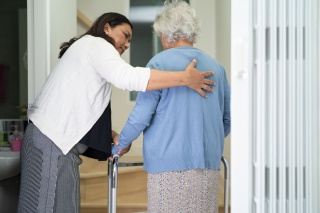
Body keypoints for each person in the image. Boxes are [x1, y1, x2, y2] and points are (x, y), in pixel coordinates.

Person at [17, 12, 215, 213]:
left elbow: (82, 106)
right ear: (107, 28)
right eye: (125, 35)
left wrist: (111, 136)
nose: (127, 44)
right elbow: (127, 77)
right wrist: (185, 78)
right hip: (51, 142)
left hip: (55, 143)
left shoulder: (89, 50)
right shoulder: (96, 44)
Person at [112, 1, 231, 212]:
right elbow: (227, 119)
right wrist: (205, 143)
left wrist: (121, 143)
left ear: (165, 35)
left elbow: (141, 115)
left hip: (168, 168)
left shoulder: (159, 64)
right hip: (208, 165)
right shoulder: (217, 68)